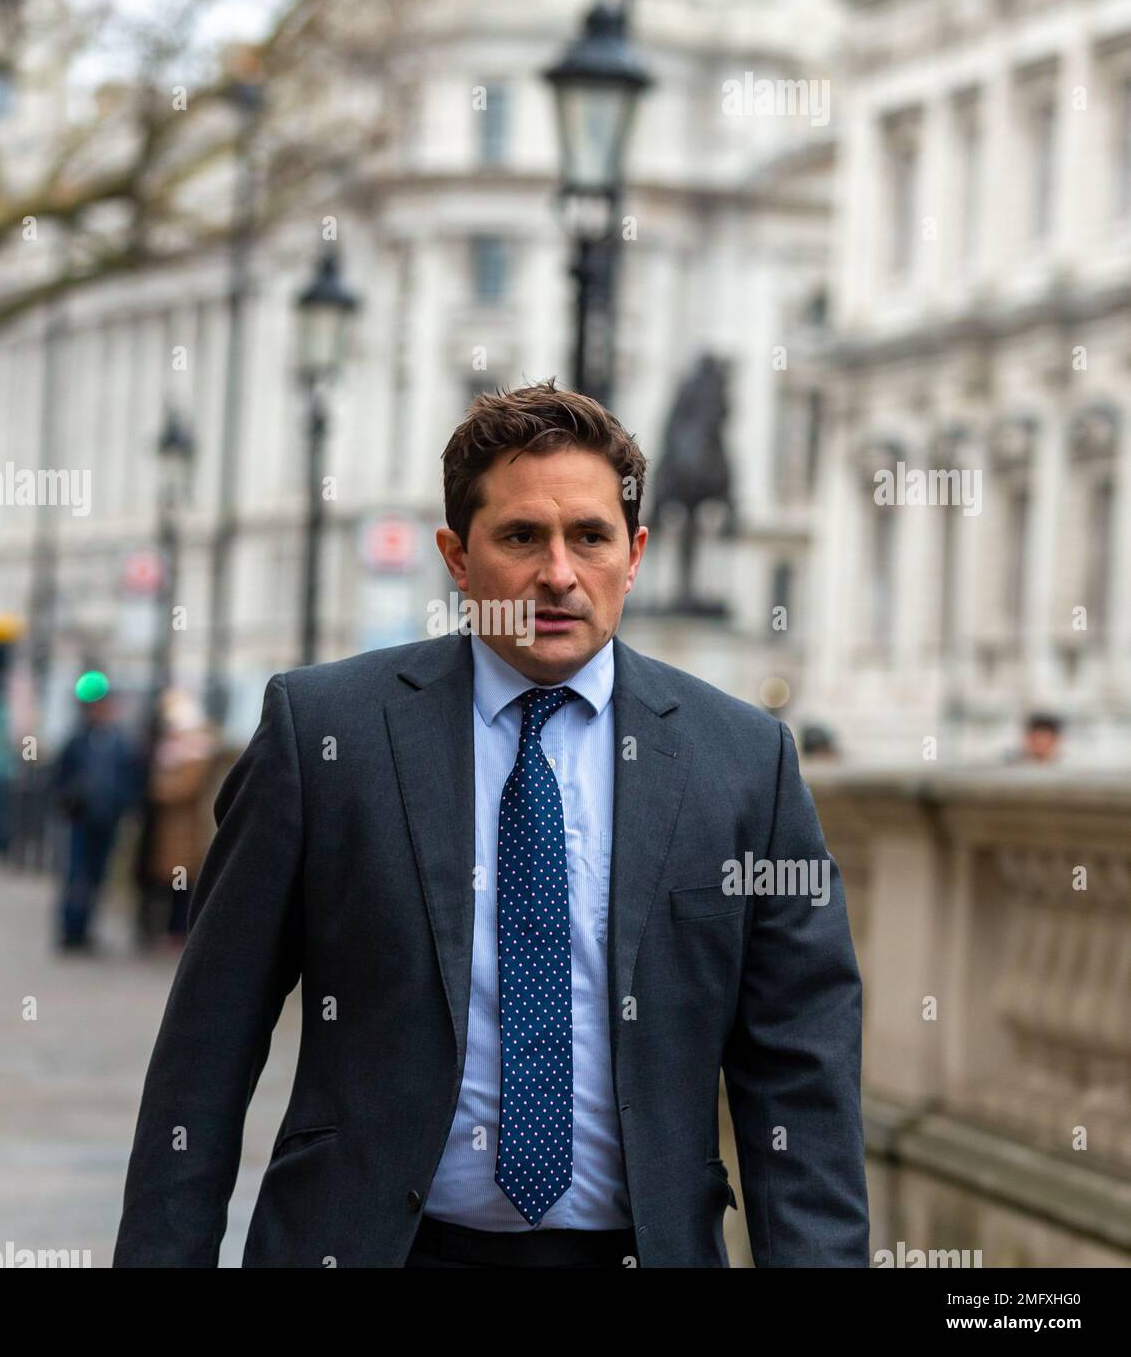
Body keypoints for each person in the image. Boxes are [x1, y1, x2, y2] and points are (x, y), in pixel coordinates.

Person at [114, 379, 869, 1268]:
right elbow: (209, 1044)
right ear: (457, 557)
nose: (558, 572)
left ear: (634, 554)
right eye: (521, 536)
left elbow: (801, 1078)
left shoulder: (746, 763)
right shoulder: (324, 734)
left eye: (589, 537)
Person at [51, 690, 140, 953]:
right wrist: (70, 800)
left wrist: (123, 804)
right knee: (77, 874)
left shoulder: (120, 743)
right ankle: (71, 929)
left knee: (97, 876)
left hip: (107, 819)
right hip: (81, 819)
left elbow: (130, 778)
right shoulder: (77, 741)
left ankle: (85, 928)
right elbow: (59, 777)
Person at [134, 688, 219, 949]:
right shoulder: (181, 750)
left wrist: (158, 787)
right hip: (170, 833)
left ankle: (176, 930)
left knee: (181, 883)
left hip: (183, 833)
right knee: (169, 883)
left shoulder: (195, 752)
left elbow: (181, 789)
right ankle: (166, 929)